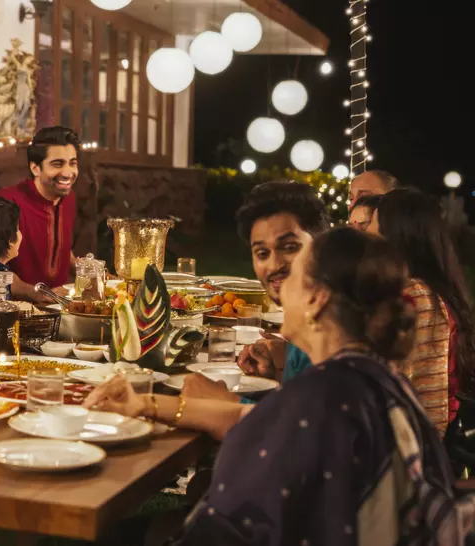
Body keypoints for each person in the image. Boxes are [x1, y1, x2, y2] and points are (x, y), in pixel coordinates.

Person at [86, 228, 474, 544]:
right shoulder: (373, 380)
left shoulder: (319, 398)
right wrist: (145, 404)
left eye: (293, 276)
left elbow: (230, 527)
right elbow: (251, 418)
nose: (280, 289)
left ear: (316, 299)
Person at [183, 181, 327, 401]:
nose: (273, 265)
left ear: (321, 244)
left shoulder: (331, 327)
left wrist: (214, 401)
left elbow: (298, 427)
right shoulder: (302, 324)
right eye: (261, 253)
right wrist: (270, 382)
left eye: (290, 247)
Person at [367, 188, 475, 433]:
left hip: (407, 443)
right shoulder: (428, 289)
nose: (365, 234)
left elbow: (386, 377)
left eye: (371, 224)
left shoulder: (412, 295)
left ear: (393, 234)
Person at [0, 126, 79, 301]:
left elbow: (60, 248)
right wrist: (39, 294)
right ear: (35, 168)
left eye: (72, 163)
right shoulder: (8, 201)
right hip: (17, 313)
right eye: (57, 164)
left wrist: (94, 274)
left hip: (62, 308)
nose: (67, 173)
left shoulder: (69, 198)